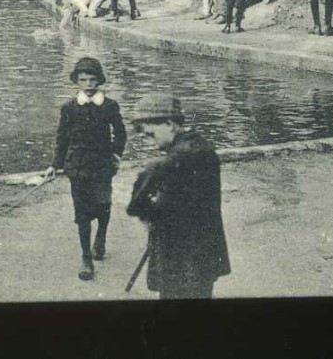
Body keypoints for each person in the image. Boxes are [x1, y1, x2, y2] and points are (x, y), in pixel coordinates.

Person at [125, 93, 231, 300]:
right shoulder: (204, 147)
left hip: (177, 254)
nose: (150, 142)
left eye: (151, 134)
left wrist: (150, 218)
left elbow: (136, 204)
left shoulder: (170, 162)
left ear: (169, 124)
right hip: (206, 250)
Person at [45, 57, 127, 281]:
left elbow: (120, 133)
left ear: (99, 80)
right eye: (83, 80)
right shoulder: (69, 108)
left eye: (93, 80)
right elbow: (62, 138)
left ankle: (100, 238)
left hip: (102, 164)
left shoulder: (110, 106)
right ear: (76, 82)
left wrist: (117, 154)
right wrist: (55, 164)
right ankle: (86, 259)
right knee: (81, 213)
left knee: (103, 206)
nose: (89, 84)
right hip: (78, 165)